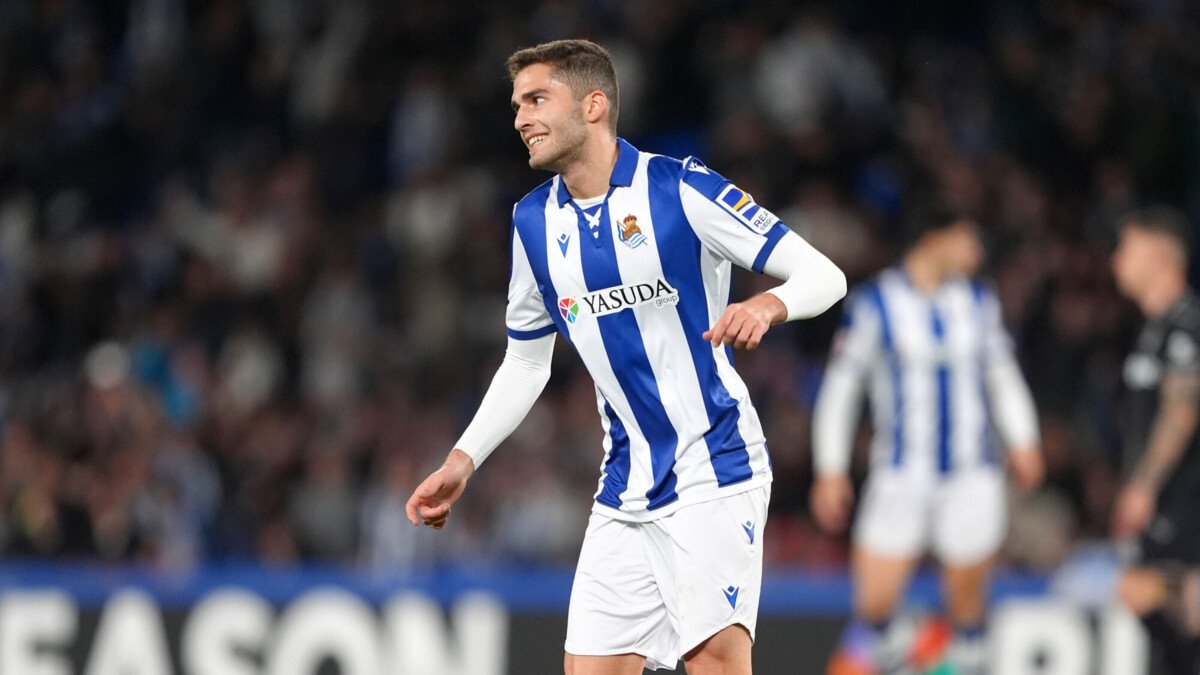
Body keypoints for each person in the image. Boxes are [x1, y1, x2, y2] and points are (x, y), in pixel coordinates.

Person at [404, 39, 847, 675]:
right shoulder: (533, 223)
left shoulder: (679, 188)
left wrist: (767, 305)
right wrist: (462, 460)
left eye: (536, 100)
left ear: (593, 105)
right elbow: (526, 362)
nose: (520, 119)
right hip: (625, 484)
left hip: (713, 465)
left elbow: (824, 275)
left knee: (715, 663)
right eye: (517, 105)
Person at [810, 207, 1044, 673]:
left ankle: (947, 658)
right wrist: (830, 468)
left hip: (971, 474)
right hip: (901, 474)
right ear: (935, 239)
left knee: (968, 608)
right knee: (874, 608)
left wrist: (1024, 439)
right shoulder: (876, 302)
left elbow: (1001, 374)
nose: (977, 251)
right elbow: (841, 388)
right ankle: (914, 648)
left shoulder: (978, 300)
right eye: (967, 239)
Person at [1109, 206, 1200, 674]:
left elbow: (1182, 411)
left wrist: (1144, 484)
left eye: (1128, 248)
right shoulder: (1153, 328)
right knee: (1147, 595)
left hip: (1184, 496)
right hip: (1167, 498)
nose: (1116, 260)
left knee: (1159, 594)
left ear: (1161, 255)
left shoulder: (1187, 323)